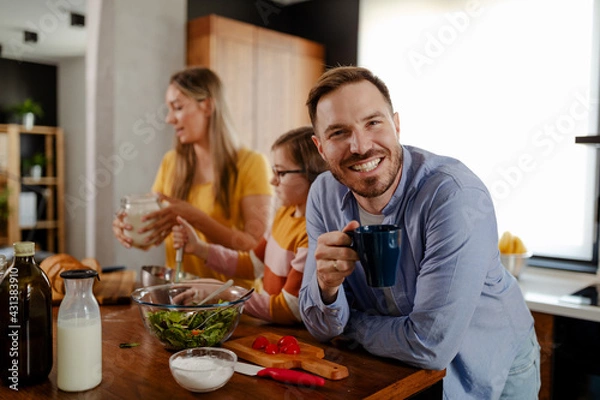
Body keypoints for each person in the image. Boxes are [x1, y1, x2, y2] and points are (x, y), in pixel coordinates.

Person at [299, 66, 540, 399]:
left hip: (491, 365)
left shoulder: (454, 195)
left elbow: (430, 346)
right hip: (400, 369)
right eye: (339, 132)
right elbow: (318, 326)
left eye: (373, 122)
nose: (361, 146)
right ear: (321, 147)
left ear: (396, 125)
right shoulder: (323, 195)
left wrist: (350, 325)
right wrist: (326, 287)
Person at [112, 66, 273, 287]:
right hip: (181, 302)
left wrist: (196, 217)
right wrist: (130, 230)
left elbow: (255, 249)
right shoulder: (171, 162)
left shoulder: (252, 164)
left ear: (207, 105)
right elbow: (152, 235)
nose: (169, 119)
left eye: (177, 107)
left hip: (234, 308)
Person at [173, 126, 328, 324]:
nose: (272, 181)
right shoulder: (283, 213)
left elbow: (290, 309)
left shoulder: (310, 235)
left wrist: (226, 294)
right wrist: (201, 249)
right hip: (269, 328)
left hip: (293, 339)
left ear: (312, 174)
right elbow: (253, 264)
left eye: (280, 172)